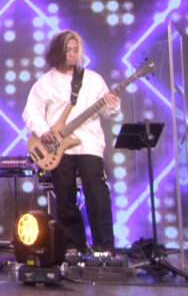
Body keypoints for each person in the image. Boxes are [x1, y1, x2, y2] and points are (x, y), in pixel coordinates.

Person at [22, 30, 120, 262]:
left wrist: (113, 105)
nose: (73, 54)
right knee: (65, 197)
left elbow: (110, 112)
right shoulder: (45, 83)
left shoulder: (93, 79)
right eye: (68, 50)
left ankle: (104, 248)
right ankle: (73, 247)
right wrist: (43, 131)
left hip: (89, 144)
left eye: (76, 50)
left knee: (97, 194)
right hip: (59, 148)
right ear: (58, 52)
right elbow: (30, 111)